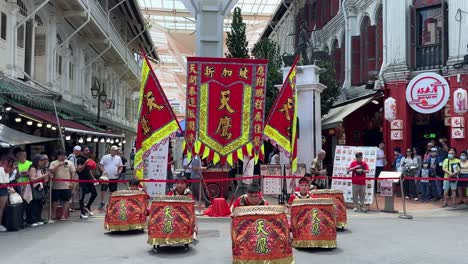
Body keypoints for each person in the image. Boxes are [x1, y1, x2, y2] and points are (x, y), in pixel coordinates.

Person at [49, 150, 76, 220]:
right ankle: (53, 215)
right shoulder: (53, 163)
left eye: (64, 155)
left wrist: (72, 182)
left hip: (66, 185)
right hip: (56, 185)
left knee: (66, 201)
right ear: (58, 156)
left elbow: (73, 172)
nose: (63, 157)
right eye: (61, 155)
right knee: (55, 201)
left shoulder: (69, 163)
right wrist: (58, 165)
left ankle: (63, 215)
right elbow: (51, 171)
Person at [26, 154, 50, 227]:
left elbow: (44, 180)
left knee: (39, 204)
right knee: (33, 204)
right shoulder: (33, 168)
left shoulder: (41, 169)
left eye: (43, 160)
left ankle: (38, 218)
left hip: (40, 187)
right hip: (33, 188)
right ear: (37, 161)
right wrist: (43, 176)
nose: (43, 162)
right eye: (41, 160)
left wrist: (47, 177)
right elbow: (32, 179)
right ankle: (31, 220)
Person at [98, 146, 123, 210]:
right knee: (103, 190)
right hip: (105, 177)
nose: (116, 152)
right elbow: (100, 165)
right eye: (114, 150)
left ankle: (111, 203)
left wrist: (119, 171)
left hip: (114, 177)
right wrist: (103, 170)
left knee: (113, 191)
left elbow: (121, 166)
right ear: (111, 150)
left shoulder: (118, 158)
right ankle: (102, 202)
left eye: (116, 150)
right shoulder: (105, 157)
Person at [76, 147, 97, 219]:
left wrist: (93, 178)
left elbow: (89, 170)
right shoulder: (79, 159)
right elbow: (79, 170)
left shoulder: (88, 159)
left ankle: (87, 206)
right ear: (82, 151)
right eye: (85, 150)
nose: (87, 151)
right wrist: (85, 163)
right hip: (82, 179)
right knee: (82, 196)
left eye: (88, 150)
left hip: (89, 179)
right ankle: (82, 212)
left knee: (94, 193)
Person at [0, 155, 16, 232]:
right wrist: (9, 188)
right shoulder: (1, 169)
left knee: (2, 208)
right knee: (1, 208)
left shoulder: (5, 170)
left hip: (4, 188)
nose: (12, 166)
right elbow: (3, 182)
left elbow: (7, 180)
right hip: (2, 189)